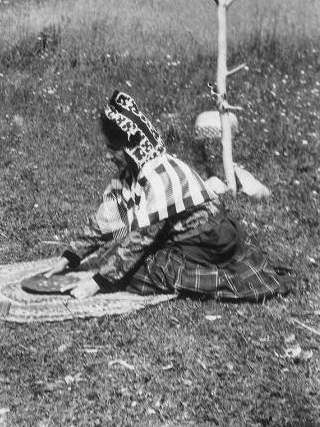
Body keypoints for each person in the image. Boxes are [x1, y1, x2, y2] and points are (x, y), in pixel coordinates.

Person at [44, 90, 293, 301]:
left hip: (211, 238)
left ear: (130, 147)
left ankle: (233, 279)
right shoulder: (132, 171)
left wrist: (98, 281)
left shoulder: (159, 176)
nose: (108, 156)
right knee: (127, 258)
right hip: (195, 236)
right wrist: (70, 256)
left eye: (113, 149)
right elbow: (109, 218)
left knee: (144, 270)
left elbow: (140, 239)